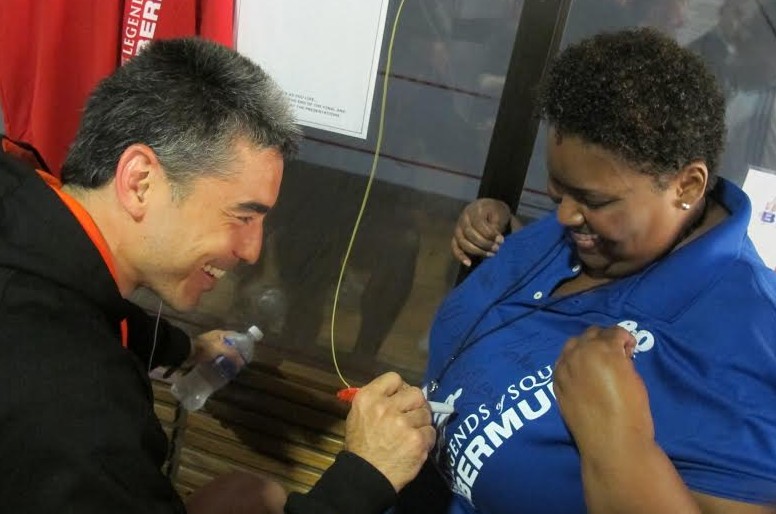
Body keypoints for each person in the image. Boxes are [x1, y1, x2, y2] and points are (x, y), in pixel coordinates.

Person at [0, 38, 435, 514]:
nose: (252, 251)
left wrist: (182, 349)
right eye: (242, 216)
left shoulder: (21, 195)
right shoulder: (76, 416)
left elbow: (84, 301)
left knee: (245, 496)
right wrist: (363, 478)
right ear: (140, 182)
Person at [410, 28, 776, 513]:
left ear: (687, 186)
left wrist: (618, 441)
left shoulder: (745, 344)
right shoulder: (598, 240)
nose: (564, 216)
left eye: (593, 200)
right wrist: (507, 235)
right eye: (557, 190)